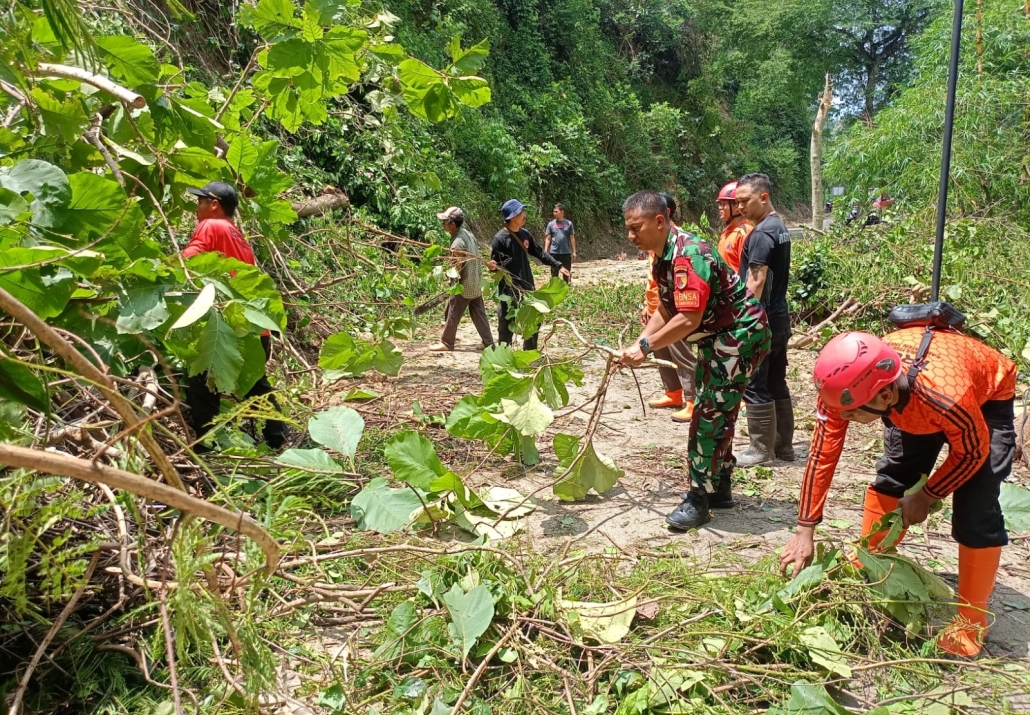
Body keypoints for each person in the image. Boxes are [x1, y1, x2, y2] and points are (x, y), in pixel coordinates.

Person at [779, 328, 1017, 657]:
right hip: (916, 399)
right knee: (894, 477)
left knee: (975, 505)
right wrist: (805, 529)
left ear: (885, 396)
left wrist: (928, 495)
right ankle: (870, 564)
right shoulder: (844, 387)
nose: (844, 417)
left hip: (983, 396)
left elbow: (972, 453)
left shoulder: (947, 397)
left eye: (852, 412)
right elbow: (822, 455)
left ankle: (971, 621)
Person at [617, 191, 770, 531]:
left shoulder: (688, 254)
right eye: (627, 228)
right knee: (718, 410)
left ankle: (698, 498)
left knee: (707, 416)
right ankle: (720, 487)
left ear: (660, 221)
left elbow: (688, 318)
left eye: (636, 228)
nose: (630, 236)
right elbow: (666, 308)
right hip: (719, 338)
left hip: (739, 335)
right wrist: (639, 342)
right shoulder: (663, 255)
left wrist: (645, 348)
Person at [183, 181, 287, 450]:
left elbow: (188, 260)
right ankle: (279, 438)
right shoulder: (237, 235)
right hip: (254, 326)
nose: (197, 208)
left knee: (202, 383)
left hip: (231, 324)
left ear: (214, 204)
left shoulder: (211, 225)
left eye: (200, 201)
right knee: (254, 385)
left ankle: (207, 446)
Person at [734, 173, 795, 466]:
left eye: (744, 201)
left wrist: (742, 321)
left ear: (763, 197)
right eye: (737, 202)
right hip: (779, 317)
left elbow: (755, 282)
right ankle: (783, 447)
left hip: (762, 321)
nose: (740, 207)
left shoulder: (760, 234)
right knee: (776, 381)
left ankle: (761, 450)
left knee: (755, 383)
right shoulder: (779, 227)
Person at [488, 199, 570, 350]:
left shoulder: (525, 234)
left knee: (533, 320)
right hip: (509, 289)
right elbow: (496, 265)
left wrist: (557, 265)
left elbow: (539, 253)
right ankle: (504, 353)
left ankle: (530, 352)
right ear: (513, 217)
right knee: (506, 323)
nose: (524, 215)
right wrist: (493, 267)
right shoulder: (500, 239)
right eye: (521, 212)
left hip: (527, 286)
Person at [644, 194, 698, 423]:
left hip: (674, 309)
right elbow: (654, 278)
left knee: (681, 353)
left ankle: (693, 400)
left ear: (664, 215)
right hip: (657, 306)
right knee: (661, 351)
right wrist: (647, 305)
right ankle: (673, 392)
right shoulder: (654, 242)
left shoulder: (680, 244)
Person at [430, 207, 495, 352]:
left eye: (445, 222)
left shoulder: (457, 243)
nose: (443, 224)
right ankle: (488, 342)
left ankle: (447, 342)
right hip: (475, 281)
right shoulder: (467, 234)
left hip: (464, 284)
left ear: (452, 224)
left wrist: (447, 276)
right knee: (478, 313)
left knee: (454, 310)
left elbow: (456, 269)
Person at [715, 181, 753, 274]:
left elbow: (748, 270)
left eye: (723, 204)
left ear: (736, 206)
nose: (720, 207)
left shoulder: (744, 233)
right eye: (720, 204)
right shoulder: (727, 230)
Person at [544, 203, 577, 283]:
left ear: (562, 212)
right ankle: (555, 288)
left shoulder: (569, 224)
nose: (554, 213)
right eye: (553, 212)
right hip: (554, 253)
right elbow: (548, 239)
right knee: (554, 274)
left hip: (565, 253)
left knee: (566, 273)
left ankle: (566, 287)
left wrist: (574, 251)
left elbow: (572, 238)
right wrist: (545, 251)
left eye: (556, 212)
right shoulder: (551, 224)